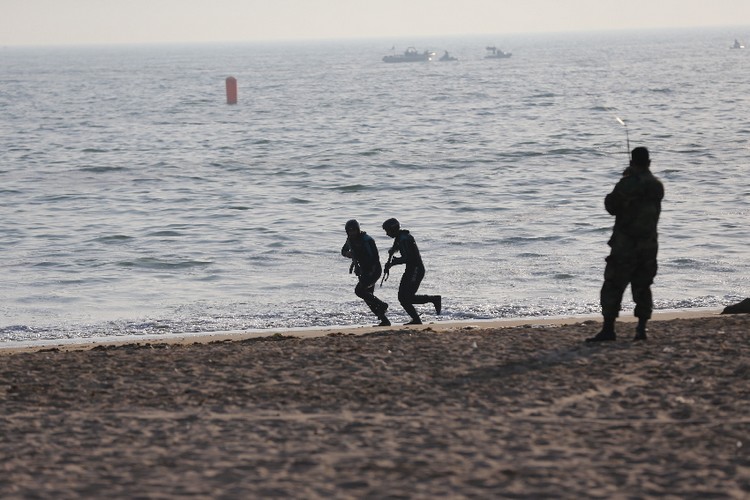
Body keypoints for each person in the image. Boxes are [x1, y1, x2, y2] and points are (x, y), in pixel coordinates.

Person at [587, 147, 664, 342]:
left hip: (625, 245)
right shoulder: (657, 185)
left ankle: (609, 330)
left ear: (632, 162)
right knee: (643, 286)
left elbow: (611, 207)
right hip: (649, 246)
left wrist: (626, 178)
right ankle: (641, 329)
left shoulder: (627, 184)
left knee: (613, 285)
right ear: (649, 162)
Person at [382, 218, 441, 325]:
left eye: (387, 231)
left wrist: (395, 262)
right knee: (402, 297)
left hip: (416, 270)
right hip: (411, 270)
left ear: (393, 229)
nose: (386, 234)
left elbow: (408, 258)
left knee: (406, 297)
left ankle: (434, 299)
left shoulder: (404, 238)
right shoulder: (400, 237)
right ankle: (416, 319)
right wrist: (390, 258)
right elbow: (396, 248)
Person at [341, 219, 390, 326]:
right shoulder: (349, 240)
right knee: (369, 297)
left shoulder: (367, 240)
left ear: (358, 230)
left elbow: (374, 258)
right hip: (363, 270)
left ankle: (382, 305)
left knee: (359, 291)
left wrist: (360, 262)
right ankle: (384, 320)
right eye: (349, 231)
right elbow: (343, 251)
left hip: (373, 269)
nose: (352, 233)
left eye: (354, 230)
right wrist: (348, 254)